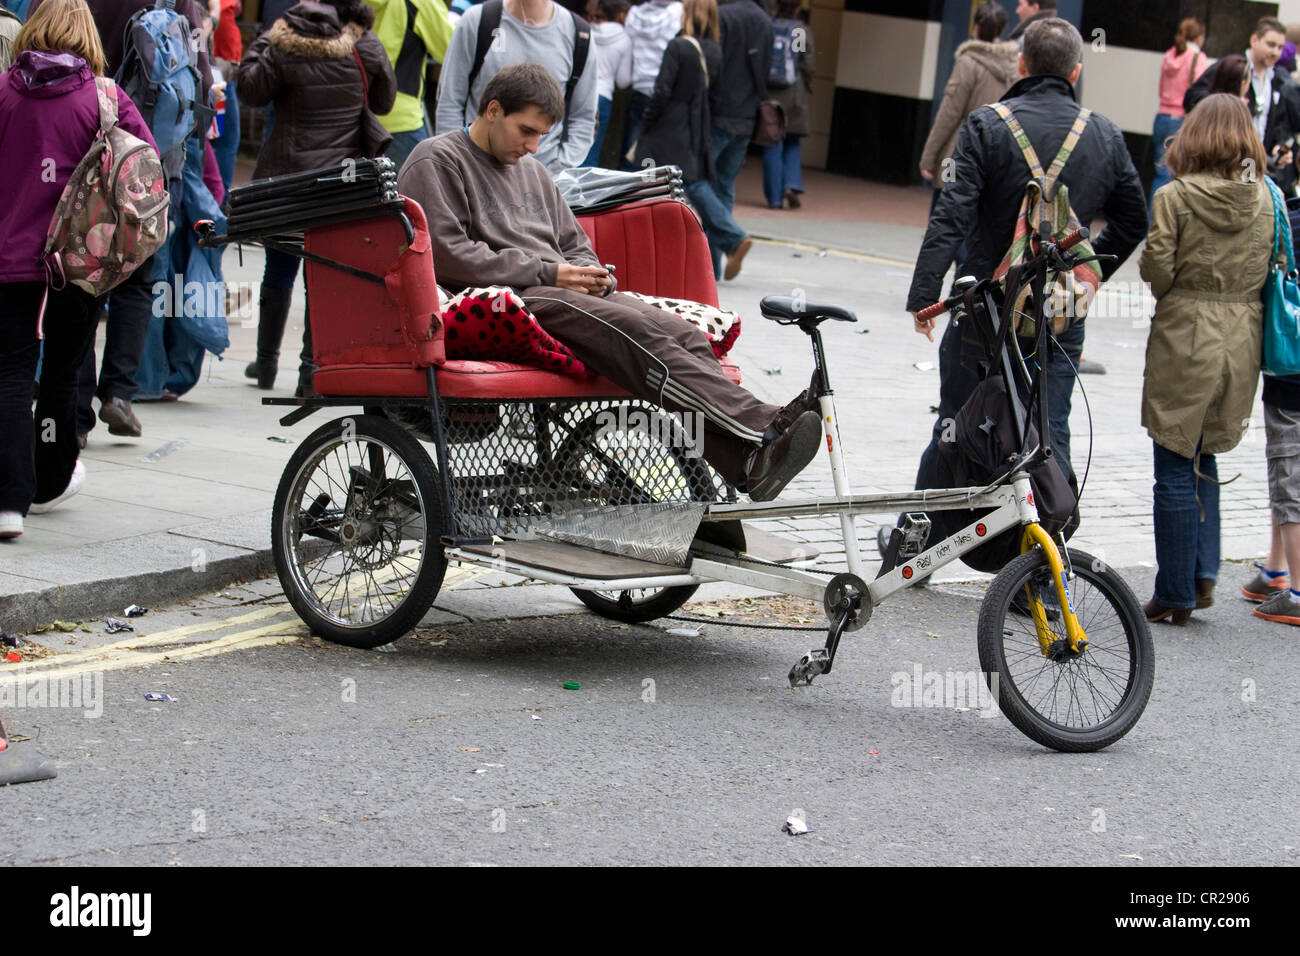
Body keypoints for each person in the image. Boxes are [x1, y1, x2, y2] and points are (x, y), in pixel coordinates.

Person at [400, 62, 823, 500]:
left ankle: (746, 463)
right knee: (640, 334)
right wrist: (551, 273)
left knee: (684, 334)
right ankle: (763, 424)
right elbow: (448, 254)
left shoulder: (534, 171)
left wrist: (592, 275)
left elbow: (574, 242)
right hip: (514, 299)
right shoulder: (437, 159)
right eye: (525, 131)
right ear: (492, 110)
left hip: (559, 288)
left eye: (542, 135)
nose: (532, 146)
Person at [904, 18, 1146, 520]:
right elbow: (1134, 219)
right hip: (1058, 313)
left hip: (985, 305)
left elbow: (952, 214)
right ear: (1075, 72)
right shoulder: (1103, 133)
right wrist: (1088, 273)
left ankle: (917, 545)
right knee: (1051, 430)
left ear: (1021, 63)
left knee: (958, 422)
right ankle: (1045, 564)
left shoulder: (986, 125)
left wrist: (925, 295)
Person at [0, 0, 158, 539]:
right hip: (80, 260)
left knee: (12, 372)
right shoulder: (105, 98)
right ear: (88, 36)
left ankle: (8, 503)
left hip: (11, 260)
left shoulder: (4, 92)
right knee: (65, 370)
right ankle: (50, 481)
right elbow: (146, 172)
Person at [1138, 95, 1271, 625]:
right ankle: (1202, 574)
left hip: (1186, 333)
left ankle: (1173, 589)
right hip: (1244, 335)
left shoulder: (1175, 197)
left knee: (1172, 458)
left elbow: (1158, 273)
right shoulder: (1267, 198)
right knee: (1205, 457)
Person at [239, 0, 396, 394]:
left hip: (288, 175)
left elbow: (250, 89)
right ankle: (311, 374)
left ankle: (267, 363)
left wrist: (266, 41)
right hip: (339, 182)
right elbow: (384, 102)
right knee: (320, 273)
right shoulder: (366, 45)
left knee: (278, 266)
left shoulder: (288, 44)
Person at [434, 0, 598, 171]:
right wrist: (457, 162)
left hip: (544, 176)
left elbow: (584, 117)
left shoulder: (579, 35)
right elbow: (449, 100)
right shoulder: (479, 19)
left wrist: (558, 168)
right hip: (475, 167)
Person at [918, 0, 1015, 268]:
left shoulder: (968, 62)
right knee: (978, 228)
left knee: (944, 224)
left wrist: (928, 158)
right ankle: (972, 279)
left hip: (959, 155)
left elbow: (949, 113)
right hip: (996, 159)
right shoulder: (1015, 66)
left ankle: (952, 284)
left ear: (975, 27)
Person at [1185, 16, 1300, 193]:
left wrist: (1277, 149)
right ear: (1254, 40)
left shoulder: (1276, 79)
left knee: (1247, 206)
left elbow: (1275, 124)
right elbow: (1192, 98)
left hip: (1254, 164)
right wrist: (1228, 107)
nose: (1276, 52)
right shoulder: (1233, 67)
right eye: (1270, 44)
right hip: (1224, 161)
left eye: (1280, 47)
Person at [705, 0, 770, 280]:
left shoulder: (722, 16)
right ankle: (714, 266)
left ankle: (731, 241)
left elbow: (713, 65)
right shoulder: (765, 22)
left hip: (718, 112)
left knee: (697, 182)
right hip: (746, 116)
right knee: (724, 188)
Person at [363, 0, 454, 169]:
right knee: (420, 192)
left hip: (357, 117)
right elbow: (453, 49)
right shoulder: (421, 3)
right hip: (401, 119)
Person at [1149, 18, 1207, 213]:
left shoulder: (1169, 55)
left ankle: (1153, 225)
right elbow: (1199, 91)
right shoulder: (1197, 58)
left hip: (1161, 117)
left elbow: (1160, 88)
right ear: (1198, 37)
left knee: (1160, 174)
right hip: (1180, 120)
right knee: (1174, 176)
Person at [761, 0, 813, 210]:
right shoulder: (799, 29)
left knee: (773, 142)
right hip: (794, 93)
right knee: (792, 140)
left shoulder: (768, 26)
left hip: (770, 94)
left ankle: (774, 198)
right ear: (797, 8)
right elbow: (806, 62)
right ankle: (791, 185)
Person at [620, 0, 680, 165]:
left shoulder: (635, 14)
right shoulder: (678, 13)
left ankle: (625, 186)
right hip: (664, 90)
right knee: (654, 156)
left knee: (630, 151)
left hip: (640, 88)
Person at [583, 0, 631, 167]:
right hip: (603, 97)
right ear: (620, 15)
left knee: (573, 146)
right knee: (593, 151)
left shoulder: (586, 30)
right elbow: (623, 80)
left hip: (582, 93)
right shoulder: (624, 39)